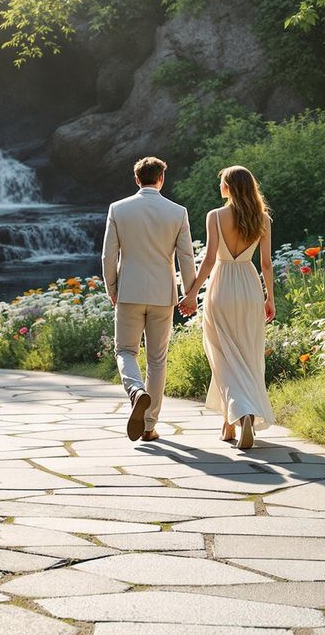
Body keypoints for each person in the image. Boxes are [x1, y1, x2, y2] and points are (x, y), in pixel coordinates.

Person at [178, 165, 276, 449]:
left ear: (229, 187)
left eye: (222, 182)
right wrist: (270, 298)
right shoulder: (263, 219)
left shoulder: (215, 216)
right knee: (247, 355)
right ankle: (229, 423)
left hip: (221, 288)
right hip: (249, 287)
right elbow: (266, 264)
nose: (220, 185)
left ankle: (242, 414)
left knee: (221, 356)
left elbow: (209, 259)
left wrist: (192, 293)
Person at [102, 157, 197, 442]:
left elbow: (108, 255)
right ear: (161, 179)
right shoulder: (177, 212)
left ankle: (135, 391)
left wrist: (112, 289)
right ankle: (149, 426)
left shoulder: (118, 209)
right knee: (157, 360)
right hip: (162, 294)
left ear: (136, 179)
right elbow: (186, 257)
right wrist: (189, 294)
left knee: (125, 352)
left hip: (128, 292)